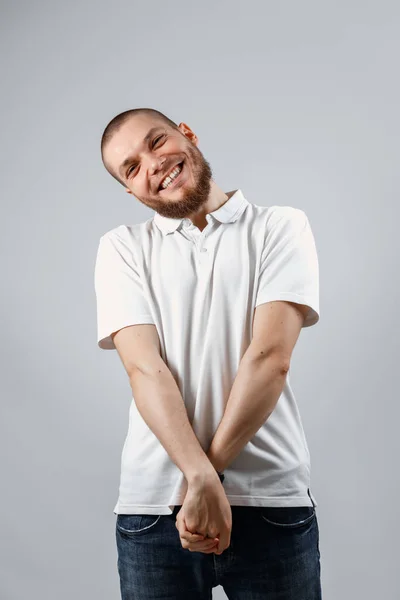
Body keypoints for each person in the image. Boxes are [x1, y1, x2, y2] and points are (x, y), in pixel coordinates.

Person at [94, 107, 322, 599]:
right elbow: (144, 368)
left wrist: (205, 480)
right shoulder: (122, 248)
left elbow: (270, 357)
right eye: (130, 168)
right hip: (155, 510)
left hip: (270, 501)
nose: (151, 165)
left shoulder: (279, 227)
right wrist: (201, 478)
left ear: (187, 134)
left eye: (156, 143)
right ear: (129, 191)